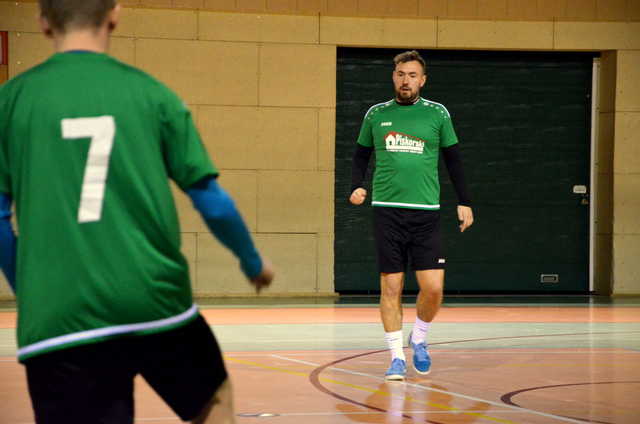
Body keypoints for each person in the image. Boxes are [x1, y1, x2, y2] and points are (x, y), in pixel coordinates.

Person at [0, 1, 274, 423]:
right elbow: (212, 201)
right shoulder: (152, 94)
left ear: (42, 23)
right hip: (155, 301)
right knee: (214, 402)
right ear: (114, 14)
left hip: (60, 317)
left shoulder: (11, 101)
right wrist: (252, 262)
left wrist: (35, 290)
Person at [349, 50, 473, 381]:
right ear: (394, 77)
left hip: (426, 213)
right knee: (391, 285)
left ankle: (418, 338)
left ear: (423, 80)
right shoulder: (376, 114)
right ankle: (395, 358)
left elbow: (454, 159)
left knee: (433, 288)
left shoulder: (438, 114)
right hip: (387, 211)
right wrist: (356, 186)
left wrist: (465, 200)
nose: (406, 80)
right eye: (401, 74)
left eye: (413, 75)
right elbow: (360, 156)